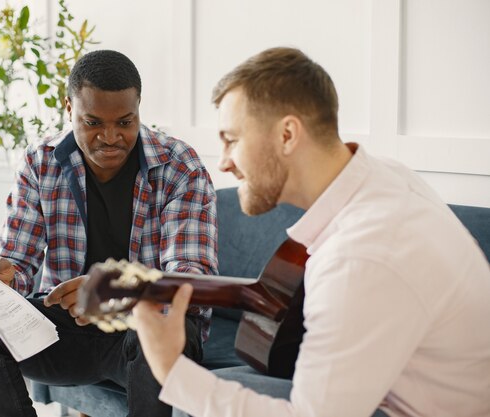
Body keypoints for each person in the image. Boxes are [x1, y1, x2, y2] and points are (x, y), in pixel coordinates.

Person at [132, 47, 490, 417]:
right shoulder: (386, 176)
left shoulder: (359, 257)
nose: (222, 162)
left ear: (287, 134)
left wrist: (171, 370)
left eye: (232, 139)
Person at [0, 49, 218, 417]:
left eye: (125, 121)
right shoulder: (40, 161)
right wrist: (6, 277)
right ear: (68, 108)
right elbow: (20, 263)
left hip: (146, 333)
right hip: (66, 332)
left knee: (154, 330)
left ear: (139, 108)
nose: (110, 137)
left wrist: (117, 293)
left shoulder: (179, 166)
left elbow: (191, 282)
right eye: (92, 122)